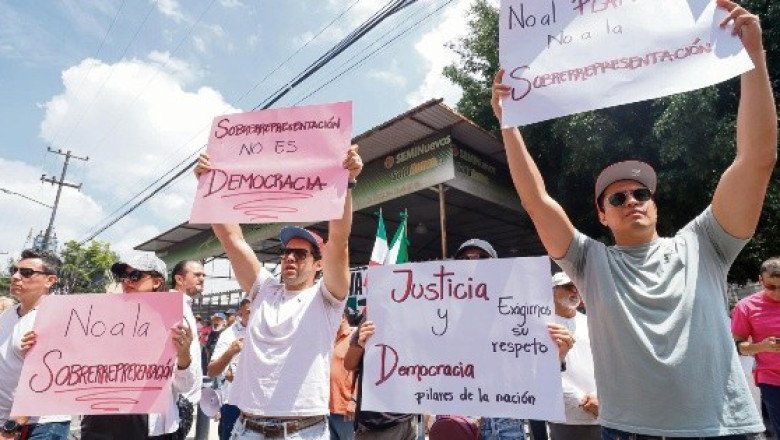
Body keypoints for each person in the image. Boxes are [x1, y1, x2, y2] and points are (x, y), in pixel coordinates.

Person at [490, 1, 775, 437]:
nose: (631, 200)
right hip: (629, 431)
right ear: (602, 216)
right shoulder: (589, 264)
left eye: (641, 192)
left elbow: (755, 160)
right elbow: (536, 199)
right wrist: (509, 124)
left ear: (655, 204)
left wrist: (753, 57)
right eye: (617, 197)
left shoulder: (706, 243)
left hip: (724, 429)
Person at [194, 144, 362, 439]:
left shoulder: (327, 299)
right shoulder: (263, 290)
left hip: (302, 432)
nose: (290, 258)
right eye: (286, 252)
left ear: (319, 264)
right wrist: (210, 186)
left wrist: (346, 183)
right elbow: (231, 238)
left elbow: (339, 240)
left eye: (300, 254)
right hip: (247, 429)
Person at [450, 240, 572, 440]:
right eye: (465, 259)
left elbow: (539, 373)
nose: (474, 263)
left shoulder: (519, 311)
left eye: (482, 258)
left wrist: (558, 355)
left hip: (506, 419)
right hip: (459, 417)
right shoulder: (439, 312)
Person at [79, 253, 202, 439]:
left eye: (135, 275)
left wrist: (184, 355)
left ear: (157, 282)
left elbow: (186, 385)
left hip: (149, 423)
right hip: (101, 419)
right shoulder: (103, 316)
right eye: (124, 277)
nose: (127, 281)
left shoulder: (175, 316)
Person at [3, 249, 71, 439]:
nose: (16, 277)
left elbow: (48, 378)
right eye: (14, 270)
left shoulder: (56, 317)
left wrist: (14, 425)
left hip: (41, 427)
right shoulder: (8, 315)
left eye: (26, 273)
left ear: (50, 280)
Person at [547, 272, 600, 440]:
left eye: (577, 285)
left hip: (602, 412)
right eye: (568, 286)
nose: (575, 290)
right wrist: (580, 400)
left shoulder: (592, 321)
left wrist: (600, 397)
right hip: (566, 418)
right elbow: (542, 372)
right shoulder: (543, 325)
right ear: (552, 291)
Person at [732, 257, 780, 437]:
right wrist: (761, 347)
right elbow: (738, 346)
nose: (777, 293)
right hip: (772, 380)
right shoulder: (746, 307)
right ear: (760, 280)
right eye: (770, 287)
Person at [171, 259, 207, 439]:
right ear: (179, 279)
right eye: (197, 275)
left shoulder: (186, 306)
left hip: (185, 397)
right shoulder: (170, 305)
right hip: (176, 397)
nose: (202, 279)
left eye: (203, 275)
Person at [207, 298, 251, 440]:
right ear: (241, 312)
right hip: (234, 403)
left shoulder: (271, 331)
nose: (255, 314)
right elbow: (212, 370)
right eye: (249, 312)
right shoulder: (229, 334)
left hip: (263, 407)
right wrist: (231, 351)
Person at [328, 312, 356, 440]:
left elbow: (362, 373)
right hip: (326, 409)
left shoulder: (354, 338)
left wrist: (354, 400)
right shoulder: (327, 338)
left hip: (346, 410)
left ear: (342, 316)